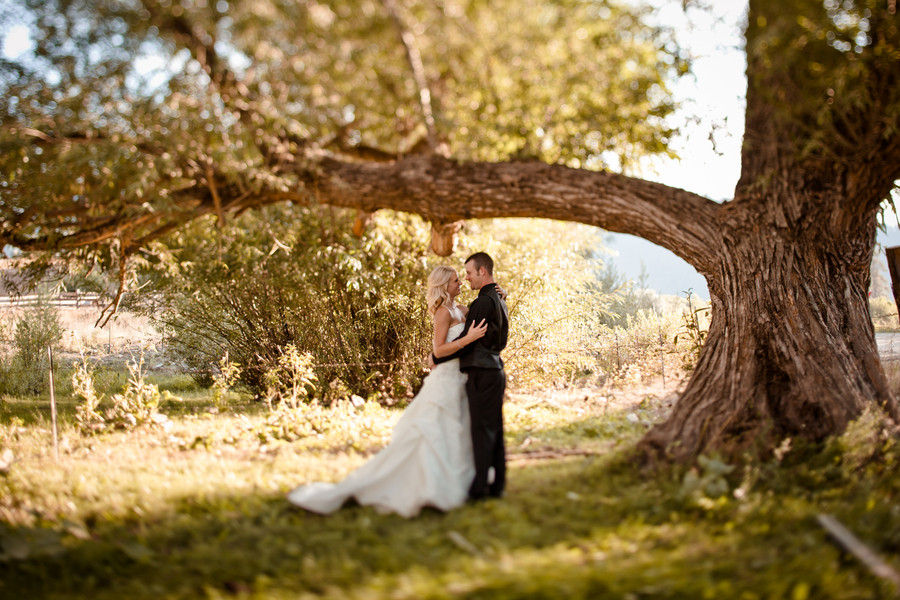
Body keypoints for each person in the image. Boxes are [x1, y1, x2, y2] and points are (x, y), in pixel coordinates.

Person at [287, 265, 487, 518]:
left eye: (460, 279)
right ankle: (425, 486)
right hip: (445, 379)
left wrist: (496, 295)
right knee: (432, 431)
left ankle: (452, 481)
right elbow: (438, 351)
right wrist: (468, 339)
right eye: (455, 280)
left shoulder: (462, 309)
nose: (460, 283)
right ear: (443, 285)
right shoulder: (442, 313)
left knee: (455, 430)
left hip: (460, 377)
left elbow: (481, 315)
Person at [431, 252, 509, 501]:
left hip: (482, 372)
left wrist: (436, 358)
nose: (465, 280)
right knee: (492, 429)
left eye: (468, 274)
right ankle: (496, 484)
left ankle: (479, 489)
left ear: (482, 272)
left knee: (482, 431)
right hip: (492, 369)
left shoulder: (482, 303)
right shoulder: (495, 299)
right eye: (458, 278)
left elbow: (467, 344)